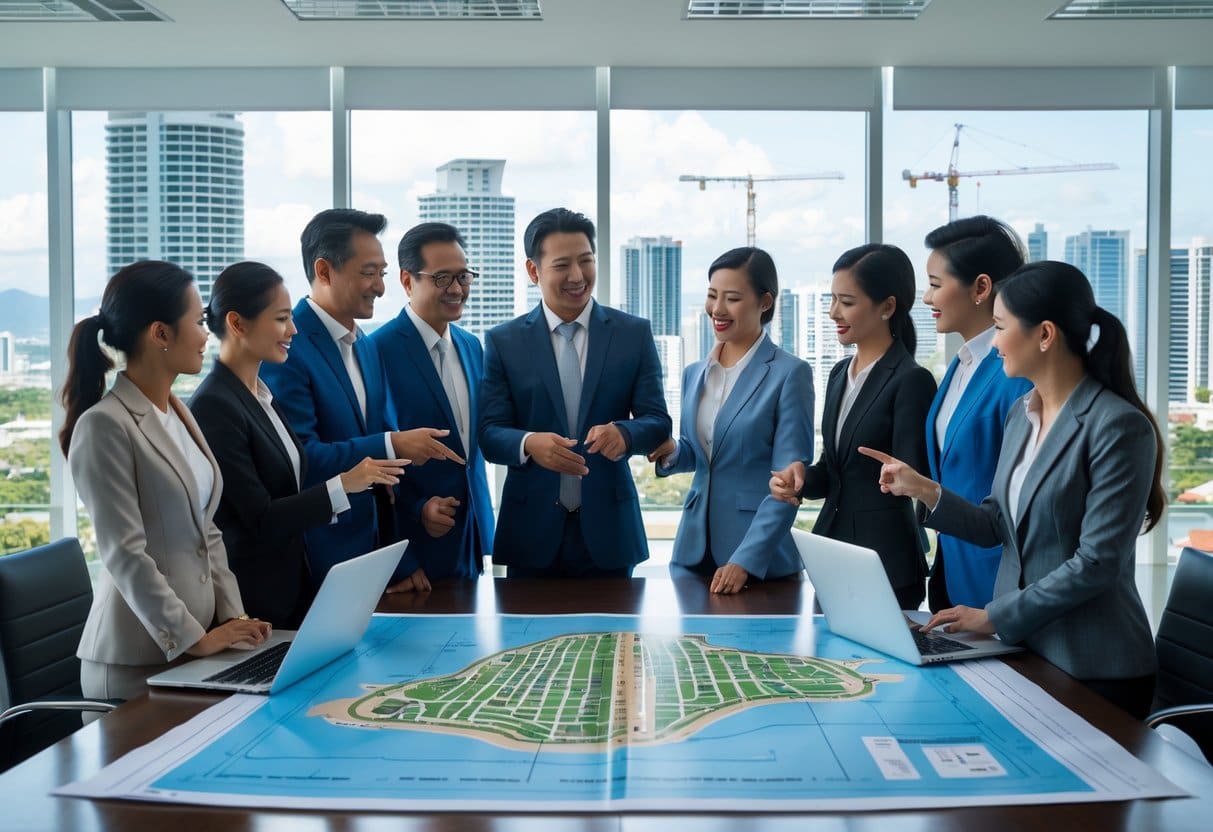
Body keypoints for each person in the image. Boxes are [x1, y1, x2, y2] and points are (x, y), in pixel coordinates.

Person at [859, 260, 1165, 719]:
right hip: (1026, 650)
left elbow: (1097, 562)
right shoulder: (1022, 413)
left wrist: (994, 616)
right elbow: (996, 524)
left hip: (1093, 666)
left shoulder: (1118, 426)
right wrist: (924, 490)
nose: (996, 343)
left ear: (1044, 335)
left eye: (1001, 328)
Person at [62, 261, 271, 702]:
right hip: (136, 661)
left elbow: (206, 531)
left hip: (197, 649)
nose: (206, 335)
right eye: (197, 322)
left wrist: (236, 619)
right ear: (160, 333)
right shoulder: (105, 425)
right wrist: (194, 639)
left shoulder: (179, 412)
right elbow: (124, 553)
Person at [190, 262, 407, 628]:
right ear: (238, 324)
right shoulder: (215, 405)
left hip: (293, 589)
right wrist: (344, 484)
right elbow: (259, 519)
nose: (293, 329)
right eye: (281, 319)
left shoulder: (262, 395)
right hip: (253, 604)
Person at [260, 208, 464, 593]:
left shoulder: (367, 347)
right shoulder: (288, 349)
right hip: (316, 565)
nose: (381, 288)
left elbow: (382, 481)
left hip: (372, 562)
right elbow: (299, 459)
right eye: (369, 273)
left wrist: (403, 556)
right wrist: (391, 444)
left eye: (382, 273)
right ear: (324, 271)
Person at [479, 208, 671, 577]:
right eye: (562, 265)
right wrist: (529, 443)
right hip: (530, 532)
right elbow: (489, 434)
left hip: (611, 532)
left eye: (586, 261)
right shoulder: (504, 341)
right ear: (533, 270)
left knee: (616, 620)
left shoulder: (632, 334)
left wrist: (625, 433)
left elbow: (658, 421)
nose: (578, 276)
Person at [770, 243, 936, 610]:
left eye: (846, 302)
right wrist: (801, 478)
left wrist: (900, 476)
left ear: (887, 307)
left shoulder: (911, 380)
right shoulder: (839, 374)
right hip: (833, 556)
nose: (833, 312)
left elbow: (914, 477)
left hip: (885, 562)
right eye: (832, 299)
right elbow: (836, 472)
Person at [649, 247, 814, 593]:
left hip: (760, 562)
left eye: (733, 298)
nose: (717, 309)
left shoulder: (790, 374)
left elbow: (787, 485)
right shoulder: (695, 373)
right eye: (712, 295)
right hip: (693, 554)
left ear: (765, 302)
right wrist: (673, 451)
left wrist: (745, 561)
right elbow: (705, 455)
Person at [921, 216, 1033, 611]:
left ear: (981, 288)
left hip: (995, 581)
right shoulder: (962, 362)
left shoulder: (1016, 376)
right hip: (952, 571)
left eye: (936, 285)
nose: (927, 298)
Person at [371, 223, 494, 581]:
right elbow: (373, 451)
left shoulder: (471, 346)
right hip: (413, 543)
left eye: (463, 277)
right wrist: (417, 507)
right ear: (407, 281)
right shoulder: (376, 350)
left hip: (470, 536)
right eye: (442, 278)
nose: (456, 289)